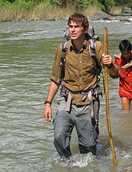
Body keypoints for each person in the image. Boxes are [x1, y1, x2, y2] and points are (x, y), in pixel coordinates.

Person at [43, 13, 113, 158]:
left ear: (85, 29)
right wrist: (48, 103)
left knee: (88, 149)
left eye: (76, 27)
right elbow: (56, 79)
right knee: (59, 137)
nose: (72, 30)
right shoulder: (62, 49)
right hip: (66, 100)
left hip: (88, 102)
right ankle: (67, 164)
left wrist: (110, 64)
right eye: (70, 27)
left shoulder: (96, 47)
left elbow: (113, 74)